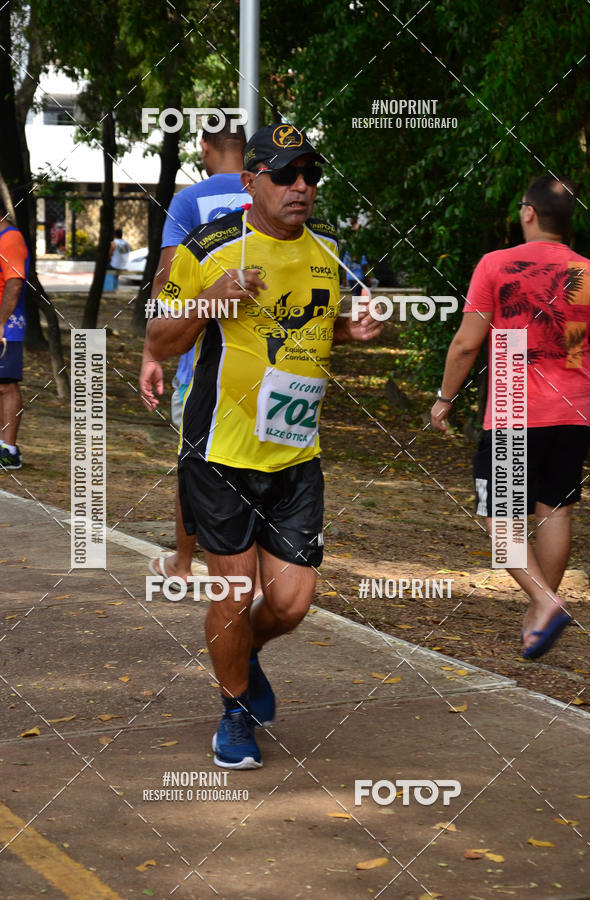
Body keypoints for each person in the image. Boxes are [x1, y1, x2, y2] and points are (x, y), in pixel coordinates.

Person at [144, 123, 382, 768]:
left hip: (296, 455)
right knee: (231, 592)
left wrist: (355, 328)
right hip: (222, 452)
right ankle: (234, 713)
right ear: (252, 182)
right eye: (285, 174)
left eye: (310, 175)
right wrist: (210, 301)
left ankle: (242, 653)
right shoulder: (208, 247)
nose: (301, 186)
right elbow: (160, 339)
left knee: (291, 603)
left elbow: (326, 320)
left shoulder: (327, 248)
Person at [431, 175, 590, 661]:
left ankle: (545, 602)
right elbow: (581, 341)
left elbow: (467, 344)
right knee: (555, 510)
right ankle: (538, 612)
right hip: (574, 406)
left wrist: (445, 398)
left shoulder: (496, 265)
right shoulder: (587, 272)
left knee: (499, 516)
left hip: (513, 403)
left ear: (529, 213)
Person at [140, 113, 249, 586]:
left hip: (202, 360)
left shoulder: (189, 201)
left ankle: (184, 565)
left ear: (205, 147)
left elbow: (166, 280)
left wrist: (151, 352)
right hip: (270, 358)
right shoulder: (274, 194)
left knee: (194, 461)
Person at [0, 201, 29, 470]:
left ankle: (9, 450)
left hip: (7, 326)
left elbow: (15, 282)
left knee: (6, 385)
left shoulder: (10, 239)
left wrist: (1, 322)